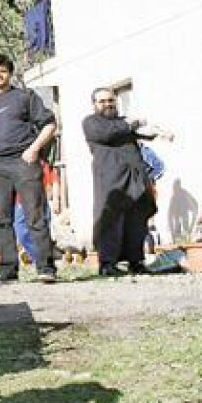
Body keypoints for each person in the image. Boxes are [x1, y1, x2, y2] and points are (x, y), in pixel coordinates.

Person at [0, 54, 58, 284]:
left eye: (3, 71)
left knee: (35, 216)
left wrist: (34, 149)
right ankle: (8, 269)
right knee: (0, 219)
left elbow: (49, 124)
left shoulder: (25, 97)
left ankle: (45, 267)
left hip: (24, 161)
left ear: (9, 74)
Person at [82, 87, 159, 276]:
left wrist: (157, 131)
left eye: (111, 100)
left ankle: (136, 262)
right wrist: (132, 124)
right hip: (110, 179)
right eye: (102, 101)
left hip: (134, 177)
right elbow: (107, 134)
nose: (108, 104)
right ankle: (107, 264)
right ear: (94, 105)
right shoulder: (91, 122)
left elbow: (144, 132)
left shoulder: (123, 123)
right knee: (110, 220)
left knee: (137, 219)